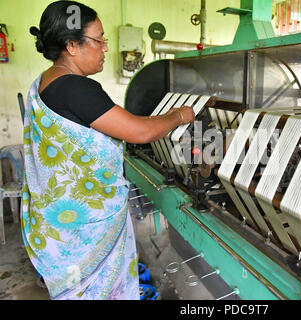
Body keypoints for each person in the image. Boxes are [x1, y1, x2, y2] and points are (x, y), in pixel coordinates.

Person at [22, 0, 194, 300]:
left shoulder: (45, 82)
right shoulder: (76, 88)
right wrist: (180, 115)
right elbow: (140, 132)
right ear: (72, 46)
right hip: (82, 233)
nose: (105, 48)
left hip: (56, 228)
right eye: (99, 39)